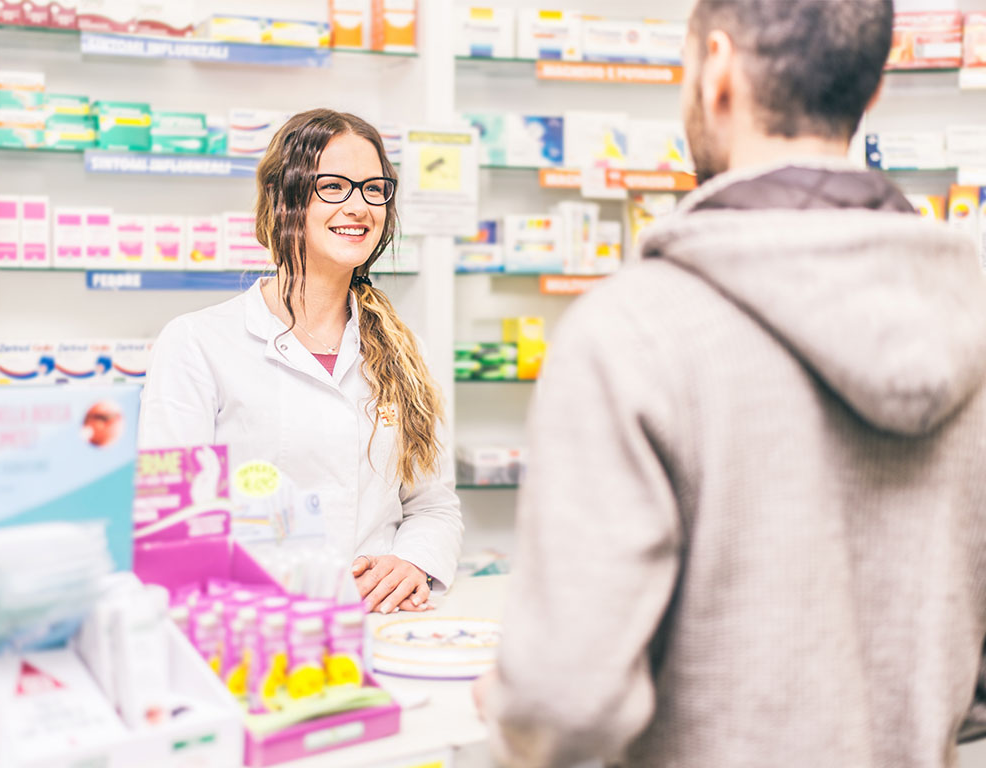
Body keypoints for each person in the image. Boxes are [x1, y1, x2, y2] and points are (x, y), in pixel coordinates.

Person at [476, 1, 986, 766]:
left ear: (717, 70)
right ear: (870, 91)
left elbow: (565, 703)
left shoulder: (633, 332)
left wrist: (514, 703)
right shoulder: (969, 314)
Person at [140, 109, 463, 614]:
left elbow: (432, 505)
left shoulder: (402, 349)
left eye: (374, 189)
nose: (358, 206)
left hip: (385, 622)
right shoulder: (197, 343)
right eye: (332, 186)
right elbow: (174, 523)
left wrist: (412, 562)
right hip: (262, 626)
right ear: (284, 198)